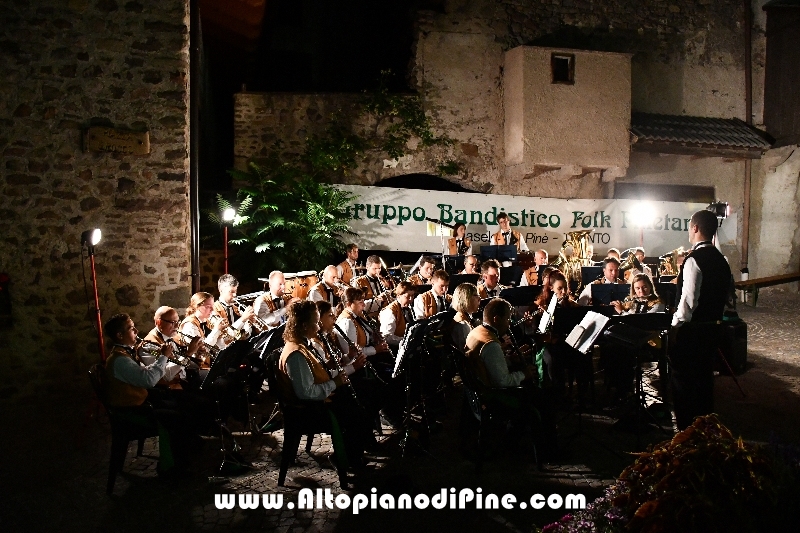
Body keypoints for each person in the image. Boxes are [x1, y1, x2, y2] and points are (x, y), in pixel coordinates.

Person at [276, 300, 374, 469]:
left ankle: (352, 454)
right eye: (316, 321)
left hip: (319, 401)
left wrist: (341, 373)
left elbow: (319, 374)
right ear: (305, 325)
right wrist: (335, 383)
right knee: (356, 411)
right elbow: (306, 393)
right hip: (308, 410)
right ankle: (347, 458)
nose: (319, 324)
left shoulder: (304, 345)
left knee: (364, 394)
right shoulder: (296, 354)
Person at [103, 313, 200, 474]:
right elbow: (148, 380)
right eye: (131, 328)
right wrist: (163, 357)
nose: (136, 330)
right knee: (177, 417)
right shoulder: (120, 360)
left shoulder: (126, 353)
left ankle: (185, 455)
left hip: (140, 402)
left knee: (183, 406)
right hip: (131, 411)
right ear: (120, 335)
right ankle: (171, 468)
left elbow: (143, 373)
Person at [670, 209, 732, 430]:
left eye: (689, 226)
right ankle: (704, 432)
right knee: (704, 384)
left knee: (683, 385)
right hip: (712, 331)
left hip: (692, 334)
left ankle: (686, 434)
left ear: (695, 228)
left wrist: (674, 329)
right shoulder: (722, 260)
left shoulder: (694, 260)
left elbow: (687, 303)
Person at [143, 306, 203, 388]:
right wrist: (188, 353)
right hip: (169, 389)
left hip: (186, 377)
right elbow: (167, 376)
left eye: (178, 322)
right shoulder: (148, 346)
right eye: (173, 322)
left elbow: (180, 361)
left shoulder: (168, 337)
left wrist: (196, 355)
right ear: (159, 322)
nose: (177, 326)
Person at [212, 274, 254, 340]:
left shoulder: (236, 309)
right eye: (231, 292)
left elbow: (243, 336)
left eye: (235, 291)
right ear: (221, 290)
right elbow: (226, 337)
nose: (235, 295)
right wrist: (243, 319)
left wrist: (248, 324)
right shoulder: (213, 310)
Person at [378, 281, 416, 350]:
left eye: (412, 296)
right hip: (396, 348)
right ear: (399, 295)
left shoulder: (409, 307)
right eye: (407, 296)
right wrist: (406, 340)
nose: (411, 299)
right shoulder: (389, 311)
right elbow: (387, 337)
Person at [449, 282, 480, 352]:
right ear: (466, 298)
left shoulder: (466, 318)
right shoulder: (462, 325)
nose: (479, 299)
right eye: (476, 295)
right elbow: (468, 353)